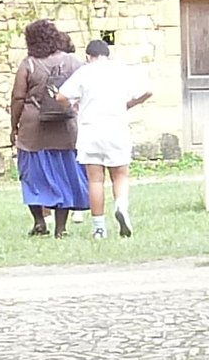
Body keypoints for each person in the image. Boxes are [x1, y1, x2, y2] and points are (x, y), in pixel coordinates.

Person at [63, 31, 153, 236]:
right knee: (120, 176)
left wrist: (74, 106)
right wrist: (129, 104)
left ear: (88, 56)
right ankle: (121, 206)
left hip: (91, 129)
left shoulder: (84, 72)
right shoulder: (121, 71)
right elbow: (147, 92)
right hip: (117, 128)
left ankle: (99, 228)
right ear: (108, 55)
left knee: (95, 180)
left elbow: (61, 95)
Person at [9, 17, 87, 236]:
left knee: (32, 176)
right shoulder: (73, 62)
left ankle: (39, 222)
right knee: (64, 175)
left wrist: (14, 126)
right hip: (65, 127)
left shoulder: (29, 64)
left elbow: (17, 97)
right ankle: (61, 228)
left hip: (33, 130)